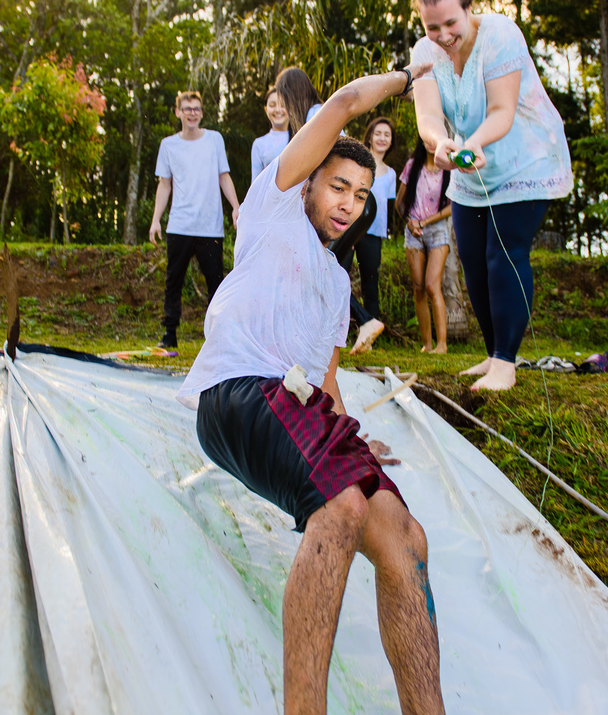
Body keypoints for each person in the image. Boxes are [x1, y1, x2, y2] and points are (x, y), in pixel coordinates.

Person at [177, 63, 444, 715]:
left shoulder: (335, 283)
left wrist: (352, 439)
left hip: (294, 404)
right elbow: (347, 102)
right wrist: (409, 78)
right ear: (309, 181)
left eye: (362, 194)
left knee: (405, 538)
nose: (349, 203)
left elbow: (325, 382)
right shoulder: (274, 203)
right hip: (237, 390)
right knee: (343, 503)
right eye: (339, 186)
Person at [411, 0, 573, 390]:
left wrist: (475, 143)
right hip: (470, 166)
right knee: (474, 260)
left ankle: (506, 362)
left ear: (468, 8)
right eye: (432, 27)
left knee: (505, 252)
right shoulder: (424, 53)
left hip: (524, 159)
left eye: (451, 23)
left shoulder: (500, 34)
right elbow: (428, 116)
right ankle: (492, 353)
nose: (444, 35)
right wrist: (440, 143)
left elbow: (502, 110)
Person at [275, 66, 386, 354]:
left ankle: (364, 322)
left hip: (353, 200)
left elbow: (335, 160)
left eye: (283, 98)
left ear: (291, 93)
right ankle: (347, 329)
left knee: (320, 267)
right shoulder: (312, 115)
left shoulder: (316, 114)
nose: (283, 106)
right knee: (329, 270)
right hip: (354, 202)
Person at [149, 90, 240, 349]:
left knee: (215, 283)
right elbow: (164, 185)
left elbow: (224, 176)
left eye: (196, 108)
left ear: (201, 113)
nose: (192, 113)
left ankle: (217, 337)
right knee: (173, 281)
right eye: (187, 109)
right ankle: (169, 334)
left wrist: (236, 207)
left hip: (210, 227)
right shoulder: (168, 145)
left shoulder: (214, 140)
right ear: (178, 112)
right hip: (180, 225)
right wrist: (156, 220)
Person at [336, 117, 396, 350]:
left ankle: (369, 339)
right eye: (378, 133)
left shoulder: (391, 174)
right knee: (339, 279)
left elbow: (388, 206)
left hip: (374, 235)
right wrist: (348, 233)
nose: (382, 138)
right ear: (370, 136)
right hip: (350, 231)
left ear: (391, 141)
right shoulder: (358, 165)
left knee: (371, 285)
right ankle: (342, 334)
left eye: (387, 135)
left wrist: (388, 234)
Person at [396, 138, 452, 354]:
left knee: (431, 286)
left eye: (435, 140)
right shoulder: (412, 166)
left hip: (437, 230)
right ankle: (427, 344)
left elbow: (452, 207)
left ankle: (442, 345)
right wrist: (410, 222)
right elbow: (399, 202)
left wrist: (425, 222)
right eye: (427, 139)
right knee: (418, 288)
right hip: (413, 231)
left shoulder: (450, 169)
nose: (431, 144)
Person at [250, 86, 289, 185]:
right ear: (266, 109)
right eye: (272, 105)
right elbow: (255, 184)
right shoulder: (259, 144)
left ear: (291, 108)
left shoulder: (300, 138)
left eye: (283, 105)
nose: (278, 110)